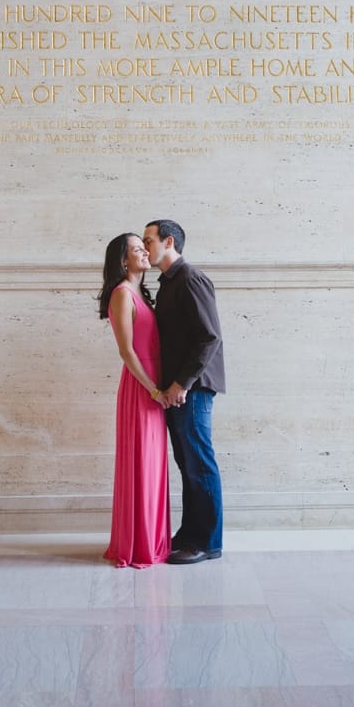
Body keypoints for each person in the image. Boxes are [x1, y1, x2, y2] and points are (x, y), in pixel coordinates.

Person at [142, 219, 226, 565]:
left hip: (192, 389)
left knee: (199, 463)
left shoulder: (191, 278)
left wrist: (181, 384)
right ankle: (191, 535)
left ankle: (207, 542)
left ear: (169, 241)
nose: (145, 248)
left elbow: (209, 337)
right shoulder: (169, 284)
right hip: (180, 390)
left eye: (148, 241)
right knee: (188, 463)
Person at [97, 232, 170, 569]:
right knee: (141, 464)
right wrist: (153, 389)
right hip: (141, 387)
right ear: (123, 260)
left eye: (145, 247)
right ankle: (137, 544)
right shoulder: (122, 294)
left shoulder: (141, 293)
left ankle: (152, 540)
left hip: (153, 387)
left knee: (153, 465)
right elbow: (127, 352)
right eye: (137, 249)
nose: (144, 252)